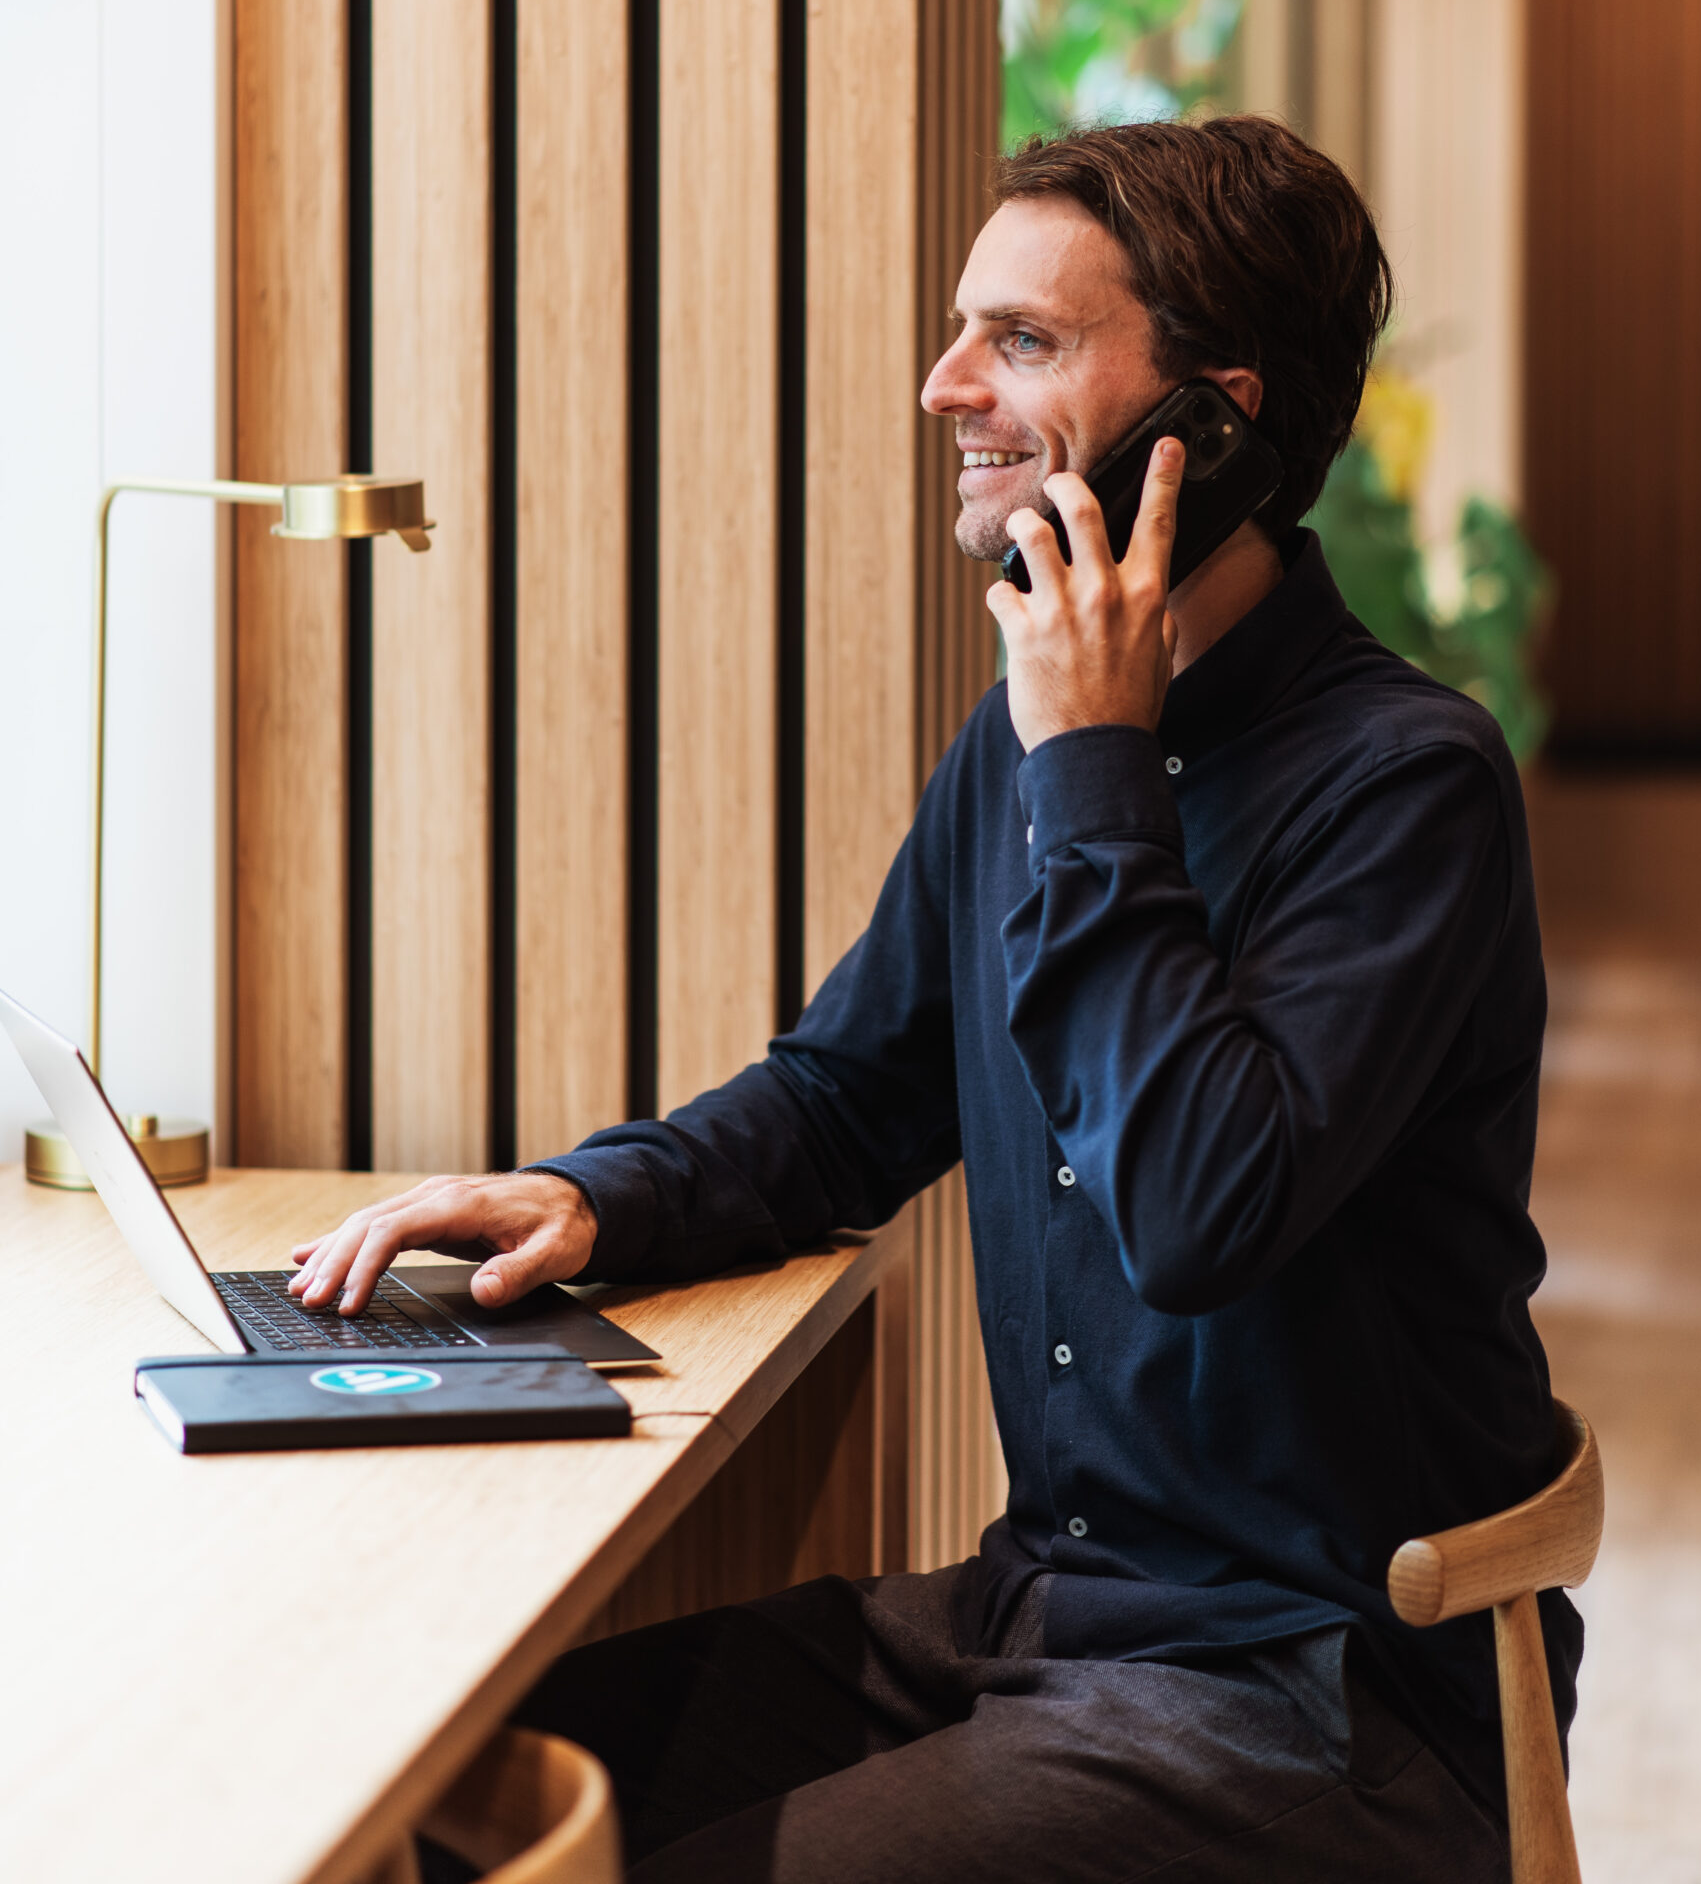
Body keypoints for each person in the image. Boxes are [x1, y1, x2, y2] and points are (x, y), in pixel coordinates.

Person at [292, 117, 1577, 1882]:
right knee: (438, 1806)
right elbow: (850, 1094)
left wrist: (1099, 765)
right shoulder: (1034, 749)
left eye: (1024, 342)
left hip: (1310, 1690)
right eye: (965, 329)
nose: (942, 384)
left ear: (1211, 417)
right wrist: (596, 1196)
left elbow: (1197, 1212)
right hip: (1034, 1617)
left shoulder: (1401, 786)